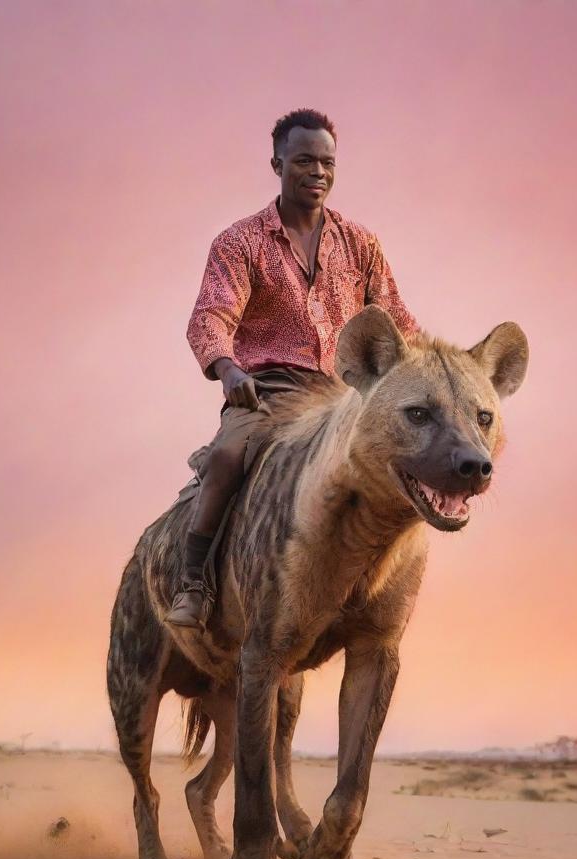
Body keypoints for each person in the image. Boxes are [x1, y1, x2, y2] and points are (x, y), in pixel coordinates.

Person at [167, 108, 418, 629]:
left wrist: (437, 367)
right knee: (227, 456)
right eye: (305, 160)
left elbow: (398, 321)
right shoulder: (240, 243)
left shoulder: (362, 246)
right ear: (277, 162)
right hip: (267, 391)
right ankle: (194, 582)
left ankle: (374, 597)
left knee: (407, 456)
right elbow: (209, 316)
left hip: (342, 397)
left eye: (327, 163)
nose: (318, 172)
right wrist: (229, 370)